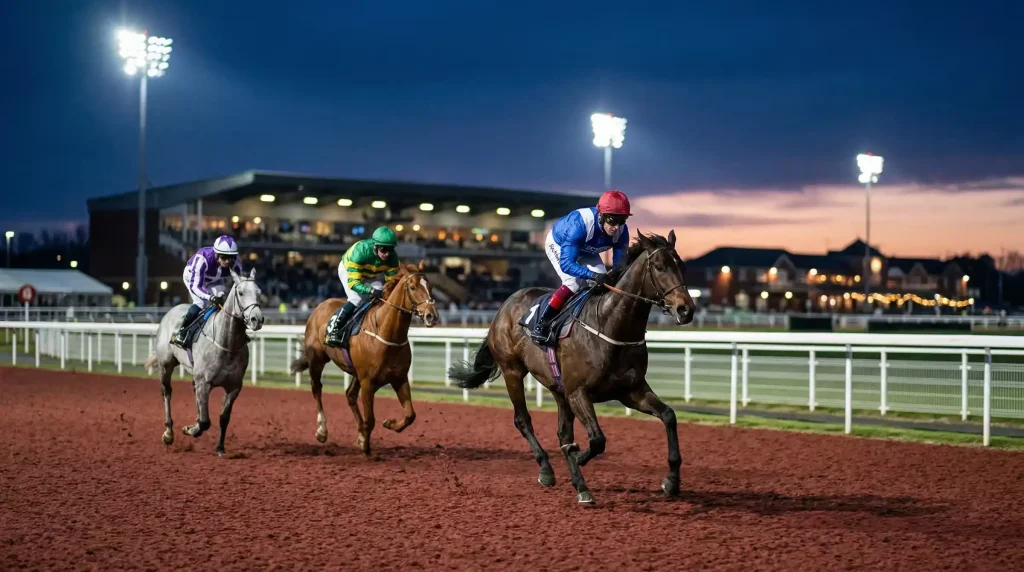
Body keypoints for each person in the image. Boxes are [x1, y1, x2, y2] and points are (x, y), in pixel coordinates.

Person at [529, 190, 631, 344]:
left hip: (586, 250)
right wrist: (592, 275)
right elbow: (567, 264)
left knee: (604, 285)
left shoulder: (622, 233)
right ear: (601, 215)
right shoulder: (580, 224)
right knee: (573, 283)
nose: (616, 227)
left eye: (621, 221)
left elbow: (619, 267)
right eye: (612, 220)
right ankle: (543, 323)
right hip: (558, 244)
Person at [324, 226, 401, 347]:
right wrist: (370, 290)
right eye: (383, 249)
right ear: (375, 246)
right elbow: (354, 283)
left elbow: (392, 284)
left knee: (383, 296)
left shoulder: (392, 258)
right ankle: (333, 329)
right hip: (348, 270)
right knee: (356, 299)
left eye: (390, 249)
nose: (387, 254)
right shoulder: (360, 251)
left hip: (371, 274)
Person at [171, 235, 243, 347]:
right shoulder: (203, 258)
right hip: (193, 278)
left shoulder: (235, 263)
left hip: (213, 280)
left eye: (231, 257)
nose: (227, 261)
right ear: (216, 254)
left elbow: (241, 283)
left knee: (224, 298)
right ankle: (182, 332)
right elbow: (196, 286)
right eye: (224, 257)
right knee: (201, 303)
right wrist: (210, 297)